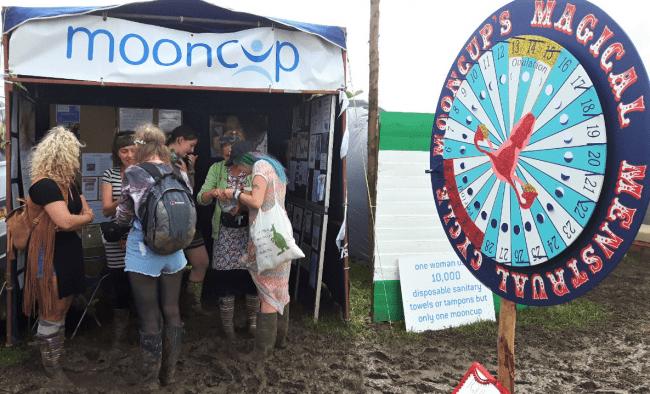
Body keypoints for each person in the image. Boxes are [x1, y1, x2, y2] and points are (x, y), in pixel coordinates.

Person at [116, 124, 188, 387]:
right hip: (176, 251)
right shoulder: (179, 171)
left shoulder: (134, 172)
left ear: (140, 146)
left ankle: (149, 382)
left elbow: (124, 214)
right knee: (172, 309)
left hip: (144, 251)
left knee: (148, 314)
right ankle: (170, 375)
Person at [24, 126, 94, 385]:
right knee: (51, 308)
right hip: (48, 251)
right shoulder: (44, 185)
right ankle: (52, 367)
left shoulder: (69, 184)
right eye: (74, 152)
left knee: (63, 305)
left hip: (68, 249)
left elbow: (88, 214)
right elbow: (66, 222)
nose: (77, 159)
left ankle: (56, 358)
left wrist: (80, 218)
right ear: (62, 154)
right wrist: (80, 219)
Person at [219, 141, 291, 362]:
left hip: (266, 238)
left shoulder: (259, 168)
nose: (239, 170)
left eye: (238, 166)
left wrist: (234, 192)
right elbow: (268, 197)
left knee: (267, 294)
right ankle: (279, 340)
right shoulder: (274, 167)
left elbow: (257, 201)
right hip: (280, 236)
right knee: (280, 287)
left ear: (245, 159)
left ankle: (262, 351)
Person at [197, 137, 259, 340]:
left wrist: (240, 204)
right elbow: (201, 197)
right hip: (225, 233)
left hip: (250, 233)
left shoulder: (256, 170)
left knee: (252, 279)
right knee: (225, 279)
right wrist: (213, 194)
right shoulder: (217, 169)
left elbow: (260, 199)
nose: (229, 160)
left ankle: (253, 322)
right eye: (225, 156)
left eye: (232, 157)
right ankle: (228, 327)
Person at [166, 125, 210, 314]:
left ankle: (193, 306)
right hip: (169, 222)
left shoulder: (180, 161)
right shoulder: (162, 159)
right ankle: (171, 309)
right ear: (180, 140)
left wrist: (190, 169)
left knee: (201, 261)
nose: (192, 150)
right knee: (169, 269)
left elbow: (190, 189)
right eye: (191, 145)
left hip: (188, 220)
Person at [101, 130, 136, 348]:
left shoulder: (145, 172)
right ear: (117, 152)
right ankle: (119, 336)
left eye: (133, 150)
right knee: (120, 286)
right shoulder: (110, 174)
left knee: (143, 285)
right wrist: (123, 198)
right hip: (116, 239)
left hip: (140, 238)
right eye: (124, 151)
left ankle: (144, 330)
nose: (130, 155)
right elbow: (106, 210)